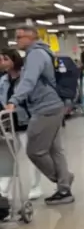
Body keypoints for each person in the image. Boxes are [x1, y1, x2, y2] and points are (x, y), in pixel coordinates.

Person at [5, 26, 74, 206]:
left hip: (45, 107)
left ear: (31, 37)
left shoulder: (35, 55)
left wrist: (14, 100)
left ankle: (64, 181)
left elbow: (29, 80)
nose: (17, 40)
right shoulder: (41, 53)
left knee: (34, 151)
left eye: (19, 37)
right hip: (53, 104)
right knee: (55, 150)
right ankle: (64, 189)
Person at [0, 49, 43, 200]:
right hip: (9, 124)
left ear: (14, 60)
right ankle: (3, 191)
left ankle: (35, 187)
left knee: (31, 156)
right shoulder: (3, 80)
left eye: (5, 59)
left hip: (27, 122)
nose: (2, 63)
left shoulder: (26, 78)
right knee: (7, 158)